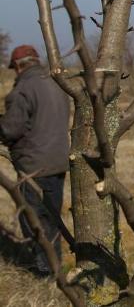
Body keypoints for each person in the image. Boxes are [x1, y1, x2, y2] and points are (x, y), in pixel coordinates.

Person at [0, 45, 70, 277]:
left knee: (34, 221)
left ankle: (45, 273)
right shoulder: (56, 83)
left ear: (19, 66)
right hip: (58, 161)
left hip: (33, 166)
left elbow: (11, 129)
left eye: (14, 69)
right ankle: (54, 268)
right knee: (52, 218)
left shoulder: (22, 90)